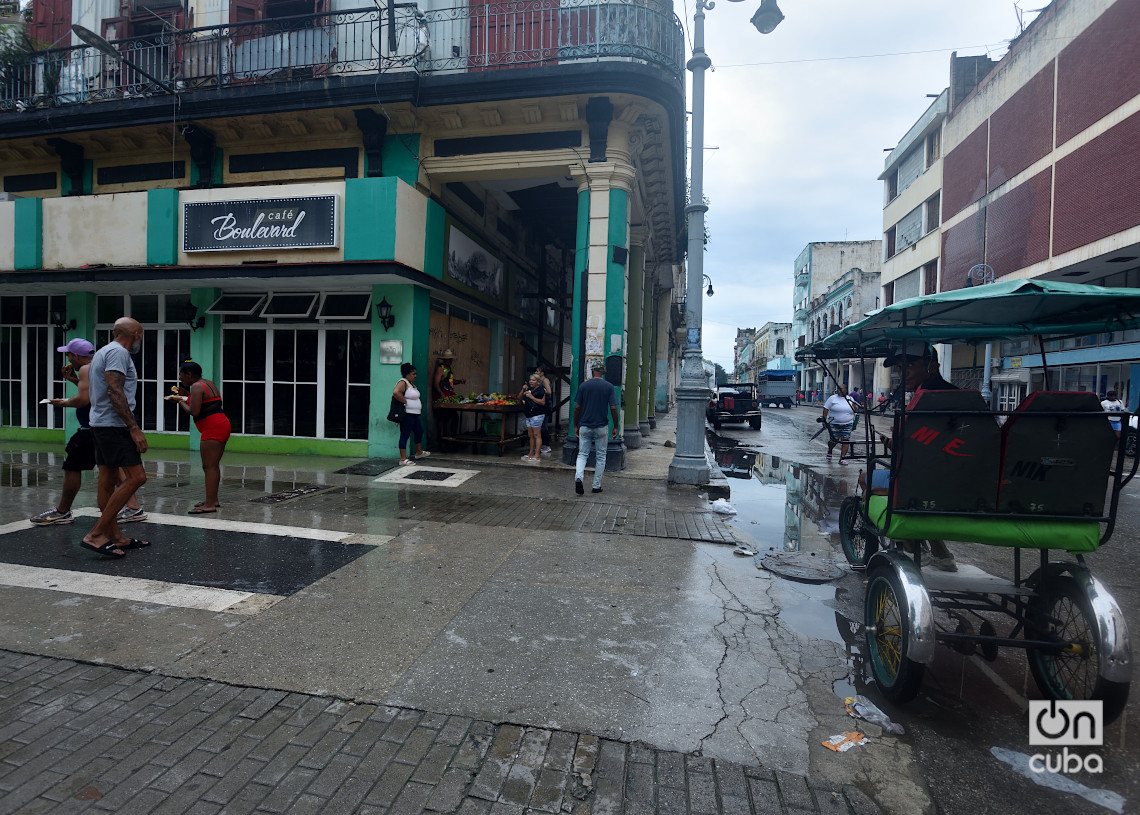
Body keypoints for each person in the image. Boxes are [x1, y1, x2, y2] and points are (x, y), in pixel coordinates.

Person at [29, 339, 146, 526]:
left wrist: (64, 402)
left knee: (73, 466)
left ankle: (63, 511)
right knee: (113, 469)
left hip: (92, 427)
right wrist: (75, 381)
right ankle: (132, 508)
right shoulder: (98, 366)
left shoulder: (86, 368)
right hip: (105, 427)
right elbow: (96, 393)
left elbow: (84, 399)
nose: (67, 359)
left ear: (75, 356)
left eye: (68, 354)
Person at [875, 340, 957, 571]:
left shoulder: (924, 403)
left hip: (924, 486)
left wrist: (894, 444)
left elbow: (913, 455)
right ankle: (941, 553)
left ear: (931, 367)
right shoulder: (960, 395)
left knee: (866, 480)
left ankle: (911, 543)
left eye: (909, 365)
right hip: (962, 483)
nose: (903, 373)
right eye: (900, 368)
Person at [81, 317, 149, 558]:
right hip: (114, 426)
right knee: (137, 477)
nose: (141, 338)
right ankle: (97, 534)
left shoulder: (103, 351)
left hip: (100, 424)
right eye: (140, 334)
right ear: (135, 334)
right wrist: (133, 427)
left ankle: (115, 535)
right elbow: (114, 389)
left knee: (108, 478)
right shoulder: (119, 353)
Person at [171, 361, 231, 514]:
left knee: (208, 466)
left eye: (181, 374)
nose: (180, 378)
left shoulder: (197, 386)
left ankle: (209, 505)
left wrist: (178, 401)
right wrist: (186, 396)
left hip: (213, 428)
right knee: (213, 465)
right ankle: (213, 500)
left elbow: (194, 411)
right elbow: (205, 402)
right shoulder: (207, 383)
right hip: (221, 424)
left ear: (189, 374)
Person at [573, 360, 620, 495]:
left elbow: (577, 407)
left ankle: (578, 477)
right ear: (603, 372)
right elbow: (613, 408)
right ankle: (596, 485)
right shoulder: (609, 387)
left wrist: (576, 424)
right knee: (600, 457)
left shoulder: (584, 386)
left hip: (585, 425)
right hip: (601, 426)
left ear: (592, 371)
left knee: (582, 454)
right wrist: (615, 426)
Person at [394, 362, 427, 465]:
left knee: (419, 431)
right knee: (405, 434)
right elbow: (396, 392)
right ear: (407, 374)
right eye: (413, 374)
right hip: (407, 414)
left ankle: (419, 452)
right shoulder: (403, 382)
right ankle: (403, 459)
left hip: (414, 414)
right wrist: (405, 401)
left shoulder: (411, 384)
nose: (415, 376)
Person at [432, 349, 465, 446]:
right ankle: (442, 438)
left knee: (453, 416)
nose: (450, 361)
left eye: (451, 359)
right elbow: (436, 383)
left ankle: (451, 438)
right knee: (442, 417)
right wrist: (441, 394)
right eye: (449, 359)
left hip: (449, 395)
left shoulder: (449, 368)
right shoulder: (440, 368)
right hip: (442, 395)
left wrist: (459, 381)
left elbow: (449, 381)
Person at [822, 385, 855, 465]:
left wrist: (855, 408)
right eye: (838, 389)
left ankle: (842, 458)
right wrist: (824, 420)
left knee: (846, 440)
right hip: (834, 423)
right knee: (834, 440)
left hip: (848, 423)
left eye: (841, 389)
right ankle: (830, 450)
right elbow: (826, 409)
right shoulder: (832, 398)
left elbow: (854, 408)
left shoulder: (850, 399)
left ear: (846, 390)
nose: (839, 390)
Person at [520, 372, 547, 462]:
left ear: (538, 382)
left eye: (533, 380)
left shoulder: (541, 390)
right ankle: (531, 453)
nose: (531, 381)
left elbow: (543, 402)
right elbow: (519, 398)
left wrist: (532, 397)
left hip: (537, 415)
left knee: (537, 435)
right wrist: (523, 390)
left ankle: (537, 455)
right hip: (529, 415)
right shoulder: (529, 389)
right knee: (530, 435)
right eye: (530, 380)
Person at [535, 364, 554, 453]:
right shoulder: (538, 381)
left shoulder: (545, 380)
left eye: (537, 371)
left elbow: (549, 391)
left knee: (544, 426)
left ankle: (546, 445)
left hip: (546, 405)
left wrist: (540, 392)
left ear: (542, 373)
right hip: (540, 405)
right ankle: (541, 445)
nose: (536, 372)